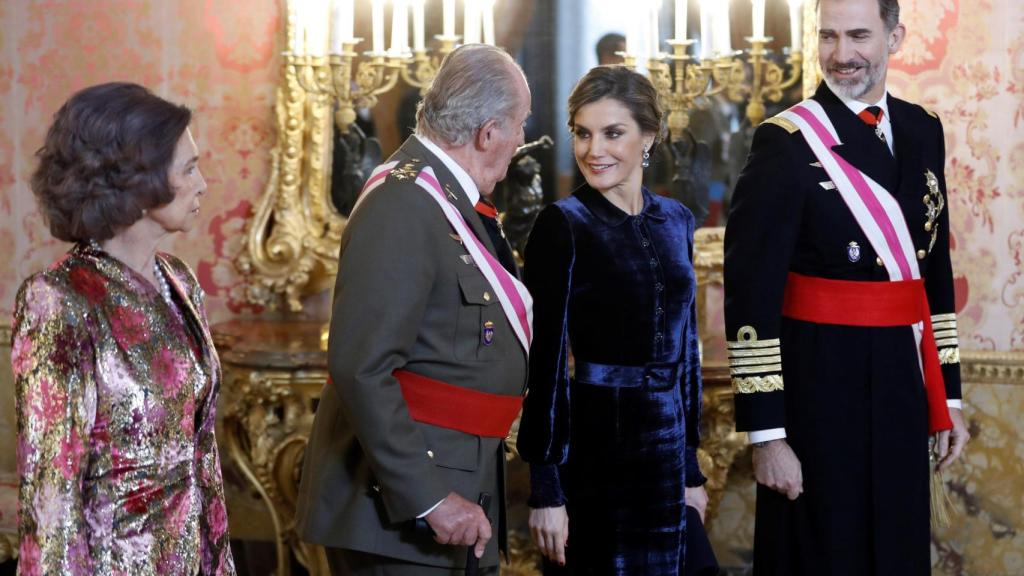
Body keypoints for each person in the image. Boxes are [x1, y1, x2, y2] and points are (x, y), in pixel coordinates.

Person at [724, 0, 970, 574]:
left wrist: (948, 396)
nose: (841, 55)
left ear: (894, 37)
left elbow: (931, 271)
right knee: (825, 553)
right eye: (828, 37)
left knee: (897, 550)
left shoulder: (921, 129)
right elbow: (749, 293)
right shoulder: (784, 142)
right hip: (818, 394)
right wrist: (767, 435)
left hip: (902, 389)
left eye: (859, 36)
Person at [294, 44, 532, 575]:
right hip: (401, 515)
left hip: (453, 492)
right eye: (519, 124)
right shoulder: (404, 202)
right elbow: (362, 366)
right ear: (487, 132)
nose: (522, 140)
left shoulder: (447, 198)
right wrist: (430, 498)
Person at [11, 82, 236, 574]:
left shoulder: (179, 280)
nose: (203, 184)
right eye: (190, 169)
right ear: (137, 179)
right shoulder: (59, 301)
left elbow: (202, 457)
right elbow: (52, 490)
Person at [517, 65, 715, 575]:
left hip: (669, 456)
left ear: (648, 137)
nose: (593, 150)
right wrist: (546, 490)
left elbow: (686, 352)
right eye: (582, 133)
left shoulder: (677, 220)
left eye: (612, 133)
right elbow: (543, 364)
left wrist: (691, 469)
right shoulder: (562, 225)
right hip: (596, 452)